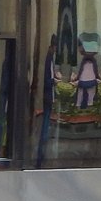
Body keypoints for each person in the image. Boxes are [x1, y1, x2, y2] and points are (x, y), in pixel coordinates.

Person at [36, 34, 61, 167]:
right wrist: (55, 80)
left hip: (47, 95)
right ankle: (41, 153)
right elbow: (48, 80)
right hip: (48, 95)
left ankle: (41, 151)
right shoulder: (49, 59)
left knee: (46, 120)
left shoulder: (49, 58)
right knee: (46, 122)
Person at [71, 38, 101, 109]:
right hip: (87, 79)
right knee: (84, 95)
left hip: (88, 79)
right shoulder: (93, 58)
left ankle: (83, 107)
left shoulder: (93, 58)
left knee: (86, 95)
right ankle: (82, 107)